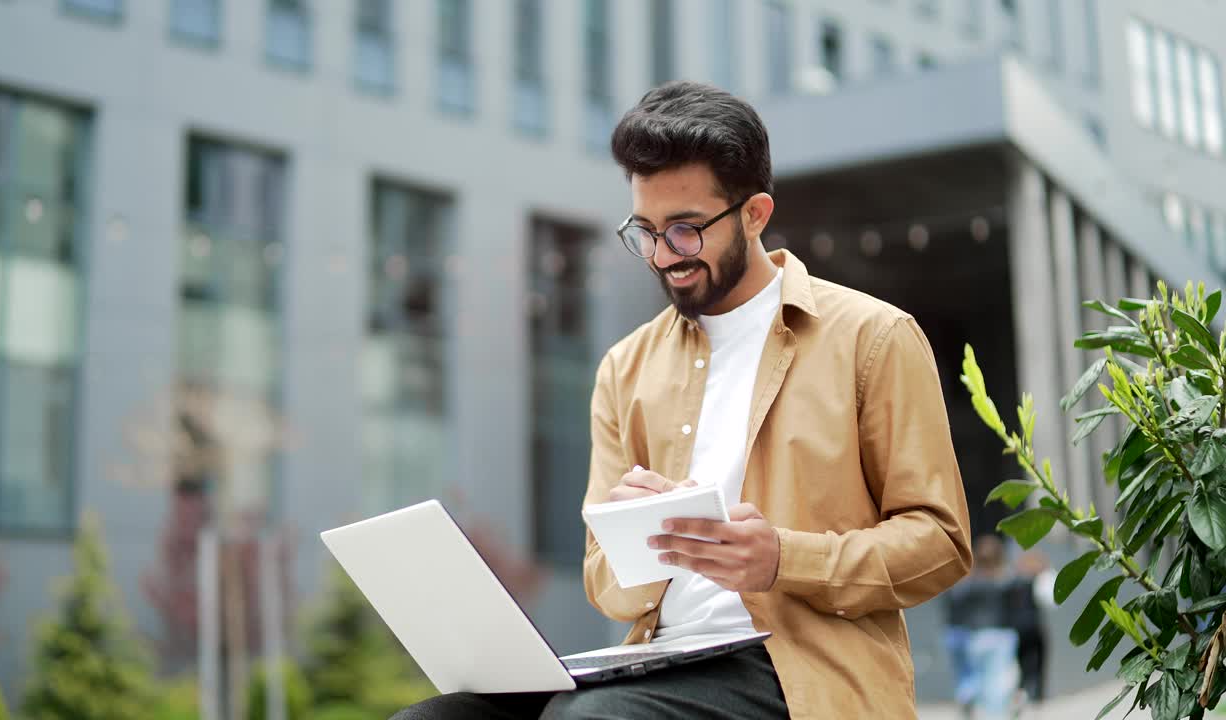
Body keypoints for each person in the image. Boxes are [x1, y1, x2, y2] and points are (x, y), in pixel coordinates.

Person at [392, 81, 972, 719]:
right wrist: (629, 542)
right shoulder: (626, 367)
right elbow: (606, 588)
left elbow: (941, 544)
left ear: (754, 214)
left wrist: (782, 558)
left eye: (687, 231)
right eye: (645, 231)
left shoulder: (873, 338)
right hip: (657, 661)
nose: (664, 256)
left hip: (797, 668)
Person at [944, 535, 1021, 719]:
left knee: (975, 679)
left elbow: (953, 600)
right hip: (1000, 636)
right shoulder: (1006, 580)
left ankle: (970, 701)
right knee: (997, 683)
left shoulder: (969, 583)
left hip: (975, 637)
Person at [1006, 550, 1055, 706]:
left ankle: (1020, 694)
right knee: (1036, 663)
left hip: (1015, 629)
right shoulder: (1038, 580)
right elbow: (1050, 600)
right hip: (1033, 627)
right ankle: (1035, 696)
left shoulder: (1011, 581)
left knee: (1019, 663)